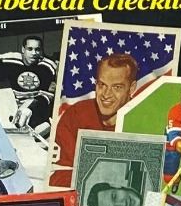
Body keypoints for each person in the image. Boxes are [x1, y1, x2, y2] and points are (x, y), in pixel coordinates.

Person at [52, 51, 140, 188]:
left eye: (117, 87)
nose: (106, 94)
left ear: (131, 88)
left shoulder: (143, 120)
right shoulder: (76, 114)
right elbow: (58, 176)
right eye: (102, 85)